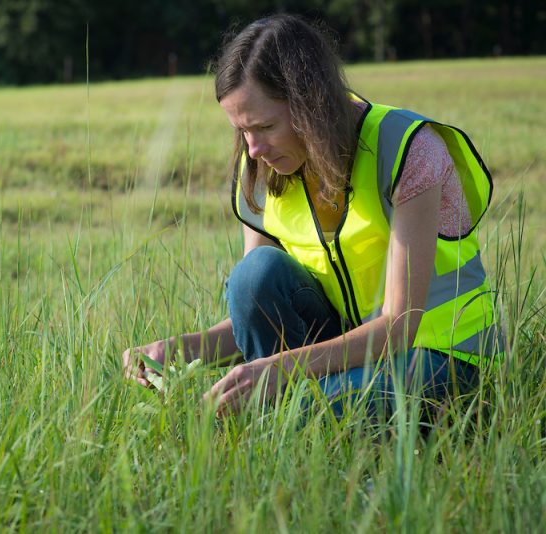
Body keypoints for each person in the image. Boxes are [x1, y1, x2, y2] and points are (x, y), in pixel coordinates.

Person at [122, 14, 503, 418]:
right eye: (241, 130)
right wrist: (177, 349)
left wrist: (278, 370)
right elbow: (252, 313)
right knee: (254, 275)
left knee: (298, 413)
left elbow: (399, 326)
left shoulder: (408, 149)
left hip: (436, 355)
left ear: (311, 105)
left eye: (265, 126)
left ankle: (283, 415)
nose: (252, 149)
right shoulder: (262, 169)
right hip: (339, 355)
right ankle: (283, 414)